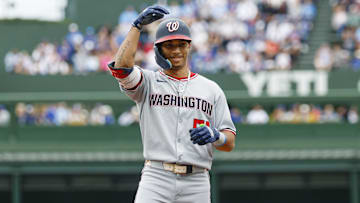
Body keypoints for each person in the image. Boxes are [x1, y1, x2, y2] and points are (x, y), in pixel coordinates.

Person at [107, 5, 236, 203]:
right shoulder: (148, 82)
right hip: (157, 176)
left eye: (181, 44)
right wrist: (136, 27)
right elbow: (122, 68)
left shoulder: (211, 89)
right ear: (159, 50)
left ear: (189, 46)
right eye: (169, 45)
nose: (176, 50)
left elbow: (230, 142)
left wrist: (216, 136)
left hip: (197, 180)